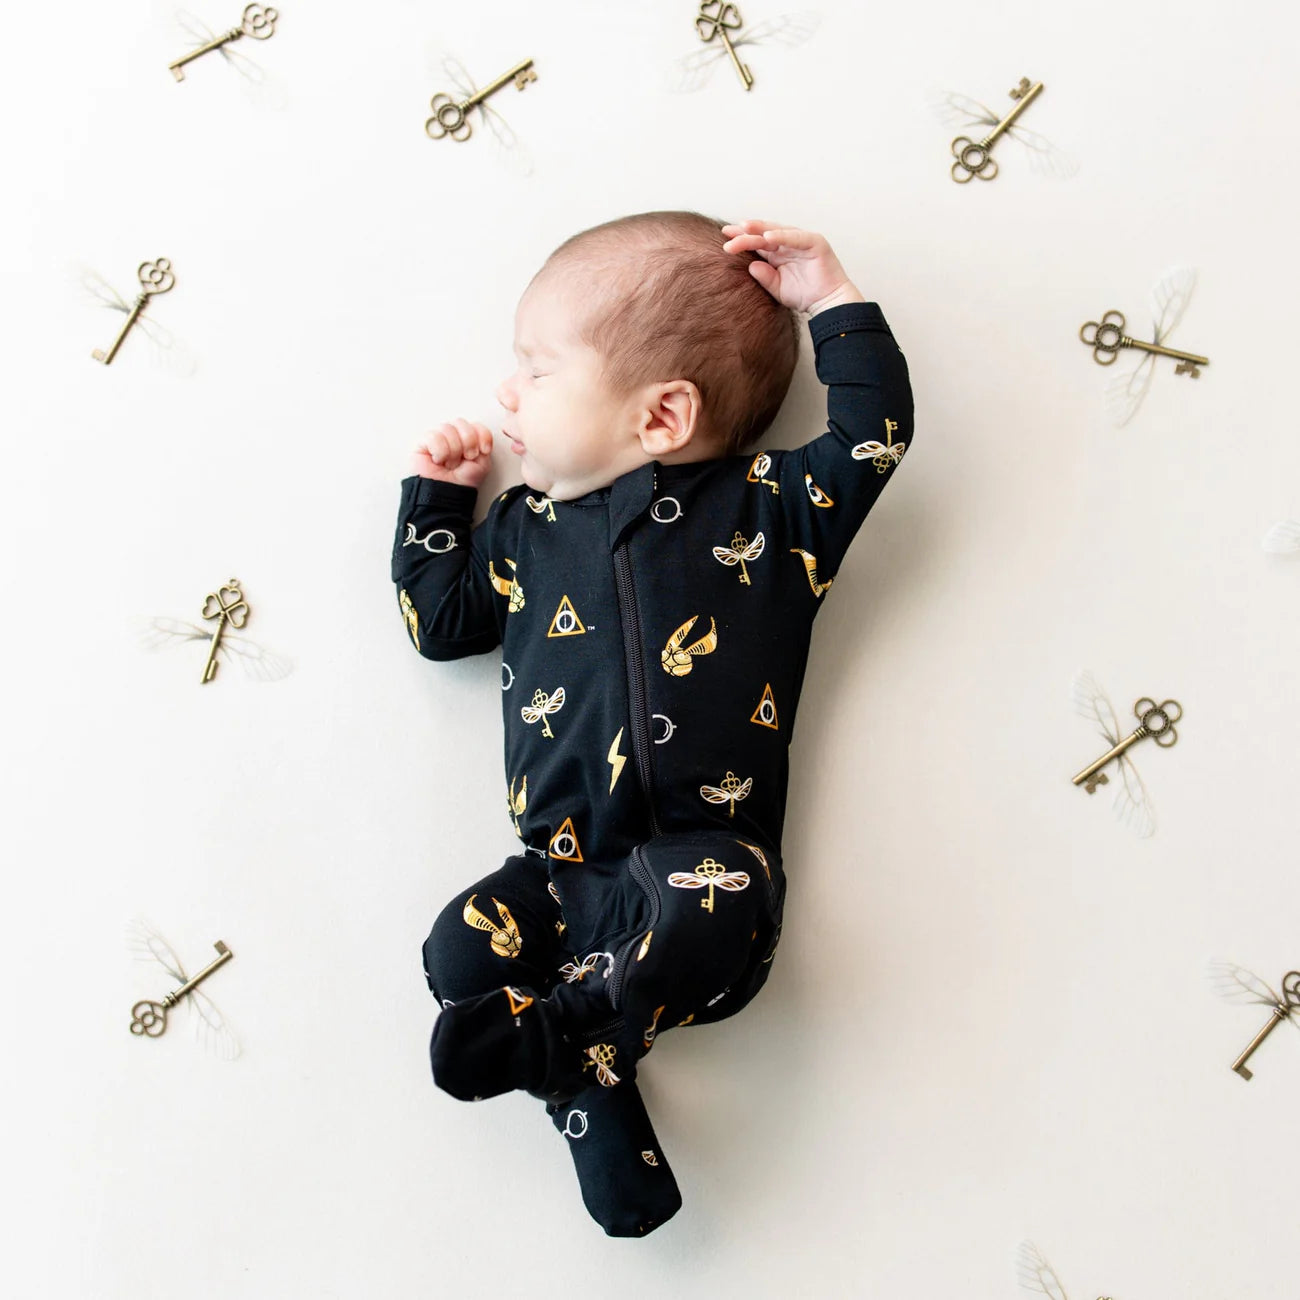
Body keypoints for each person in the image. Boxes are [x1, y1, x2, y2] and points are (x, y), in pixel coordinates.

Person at [391, 212, 914, 1236]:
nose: (507, 392)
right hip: (558, 876)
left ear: (664, 414)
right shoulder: (522, 535)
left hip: (703, 870)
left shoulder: (772, 510)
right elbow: (442, 626)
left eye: (537, 369)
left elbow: (872, 434)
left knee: (712, 906)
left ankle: (573, 1032)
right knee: (459, 950)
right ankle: (588, 1083)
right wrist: (437, 504)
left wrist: (831, 300)